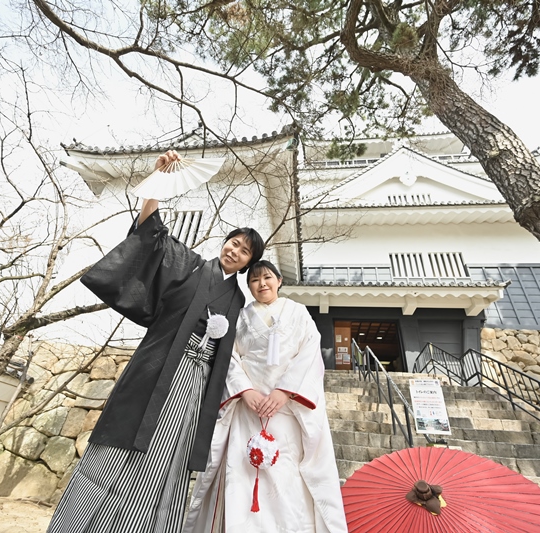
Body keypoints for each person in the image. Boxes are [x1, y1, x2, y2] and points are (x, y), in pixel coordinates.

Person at [47, 150, 265, 533]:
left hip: (195, 387)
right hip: (158, 370)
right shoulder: (191, 265)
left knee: (169, 455)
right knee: (126, 442)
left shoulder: (237, 301)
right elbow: (151, 233)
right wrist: (158, 179)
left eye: (244, 251)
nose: (234, 250)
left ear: (248, 263)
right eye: (233, 242)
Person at [183, 260, 348, 533]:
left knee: (287, 477)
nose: (262, 284)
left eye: (267, 277)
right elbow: (229, 357)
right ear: (249, 287)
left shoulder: (298, 312)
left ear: (279, 280)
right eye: (255, 280)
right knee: (242, 475)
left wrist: (284, 392)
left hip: (286, 410)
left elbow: (309, 354)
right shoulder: (241, 316)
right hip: (248, 409)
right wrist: (245, 391)